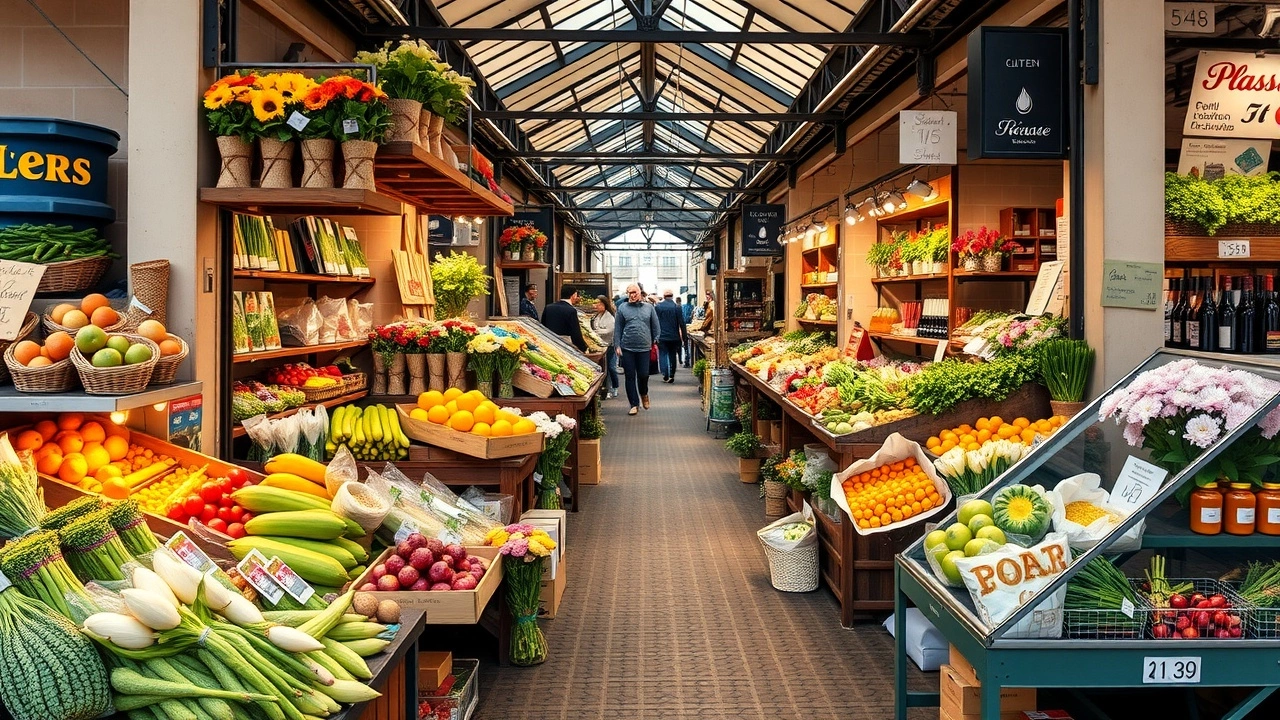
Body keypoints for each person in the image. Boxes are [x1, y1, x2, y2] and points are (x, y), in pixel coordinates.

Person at [615, 283, 661, 415]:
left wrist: (656, 339)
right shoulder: (622, 308)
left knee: (643, 375)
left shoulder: (649, 308)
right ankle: (634, 404)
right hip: (627, 347)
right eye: (629, 293)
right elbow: (618, 328)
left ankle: (644, 393)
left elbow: (655, 325)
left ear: (640, 292)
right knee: (630, 376)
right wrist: (617, 345)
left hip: (644, 347)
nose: (632, 295)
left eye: (634, 292)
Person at [541, 287, 588, 352]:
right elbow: (575, 333)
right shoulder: (571, 310)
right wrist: (583, 347)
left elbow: (542, 326)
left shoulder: (548, 307)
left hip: (549, 344)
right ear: (573, 295)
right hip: (565, 346)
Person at [654, 290, 686, 383]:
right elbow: (681, 323)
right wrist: (684, 336)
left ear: (664, 297)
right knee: (672, 355)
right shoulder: (677, 307)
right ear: (672, 296)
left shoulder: (658, 307)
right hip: (674, 336)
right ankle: (672, 374)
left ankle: (665, 374)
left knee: (663, 355)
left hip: (662, 336)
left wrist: (654, 336)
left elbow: (655, 322)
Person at [591, 295, 618, 399]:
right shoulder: (596, 316)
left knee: (611, 367)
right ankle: (604, 389)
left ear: (605, 305)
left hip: (609, 345)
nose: (597, 306)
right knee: (602, 368)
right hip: (600, 345)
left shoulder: (610, 317)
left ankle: (614, 387)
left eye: (600, 304)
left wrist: (596, 332)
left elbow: (609, 330)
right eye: (596, 303)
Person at [680, 296, 694, 367]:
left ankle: (687, 360)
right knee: (687, 345)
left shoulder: (683, 306)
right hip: (689, 326)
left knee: (686, 345)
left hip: (684, 327)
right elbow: (692, 317)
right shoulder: (692, 307)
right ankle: (687, 360)